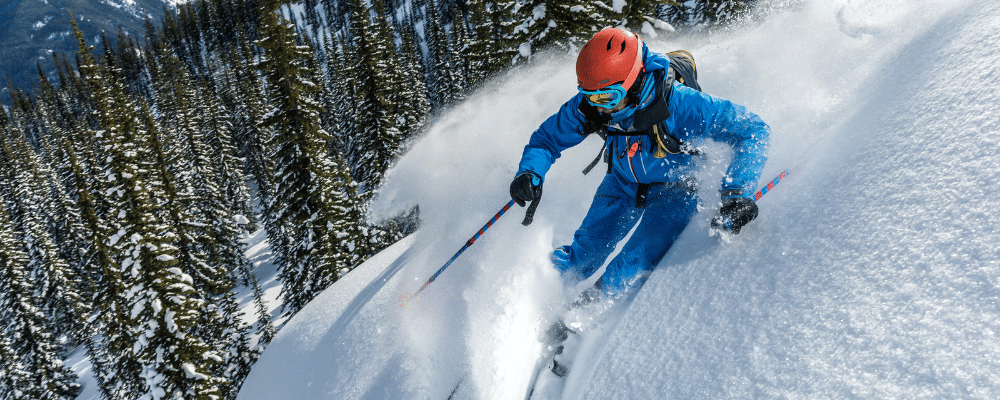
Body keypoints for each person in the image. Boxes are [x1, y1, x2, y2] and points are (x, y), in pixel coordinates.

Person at [510, 28, 770, 304]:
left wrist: (737, 193)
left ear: (632, 80)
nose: (598, 108)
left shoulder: (680, 104)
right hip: (622, 183)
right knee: (581, 256)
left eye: (606, 98)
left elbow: (752, 129)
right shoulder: (592, 103)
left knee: (627, 267)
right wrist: (530, 171)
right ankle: (526, 297)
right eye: (588, 96)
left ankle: (578, 322)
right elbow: (547, 140)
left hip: (676, 188)